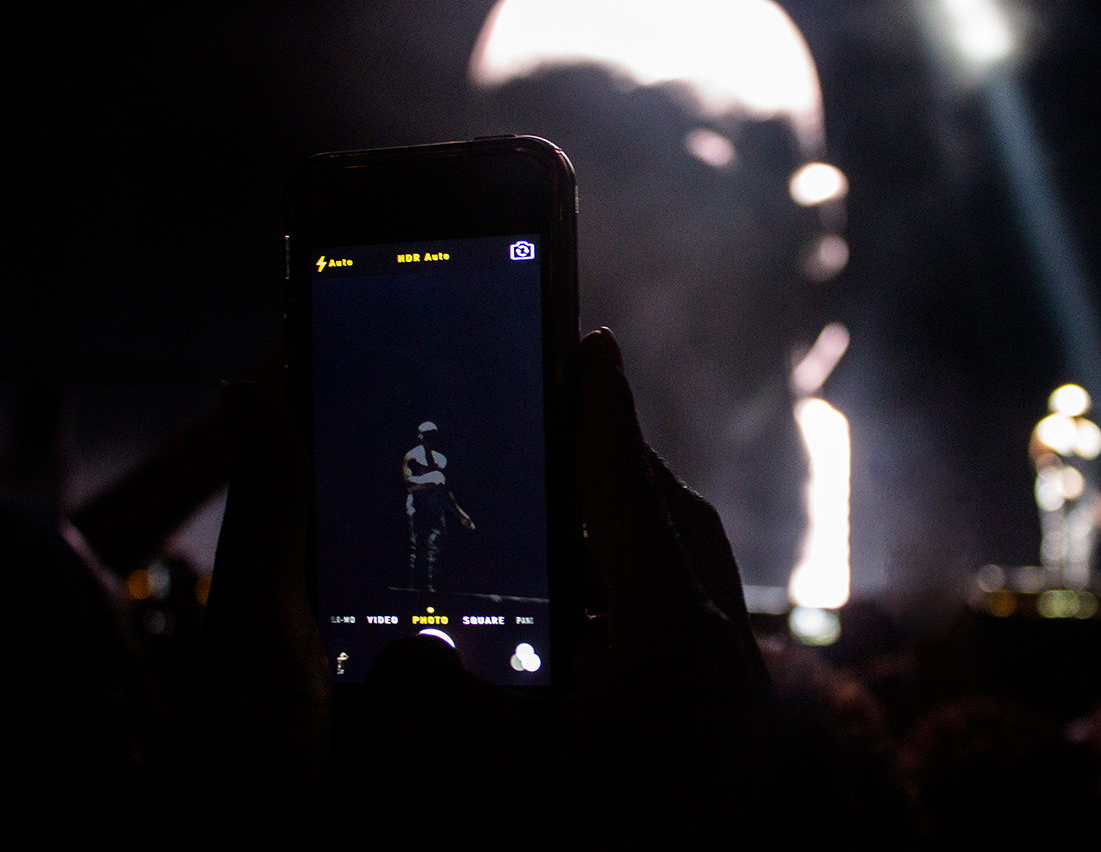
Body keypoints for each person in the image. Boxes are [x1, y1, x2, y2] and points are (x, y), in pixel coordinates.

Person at [199, 330, 773, 840]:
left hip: (430, 526)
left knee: (434, 555)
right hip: (416, 514)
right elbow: (414, 478)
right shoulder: (418, 458)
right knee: (420, 559)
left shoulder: (436, 456)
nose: (427, 434)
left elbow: (440, 488)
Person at [402, 421, 473, 591]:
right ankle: (413, 589)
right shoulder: (412, 457)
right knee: (416, 548)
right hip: (417, 507)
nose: (429, 439)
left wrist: (461, 514)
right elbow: (407, 482)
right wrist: (430, 480)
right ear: (420, 436)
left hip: (435, 508)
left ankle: (429, 588)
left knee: (435, 548)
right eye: (427, 435)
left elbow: (444, 490)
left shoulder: (440, 459)